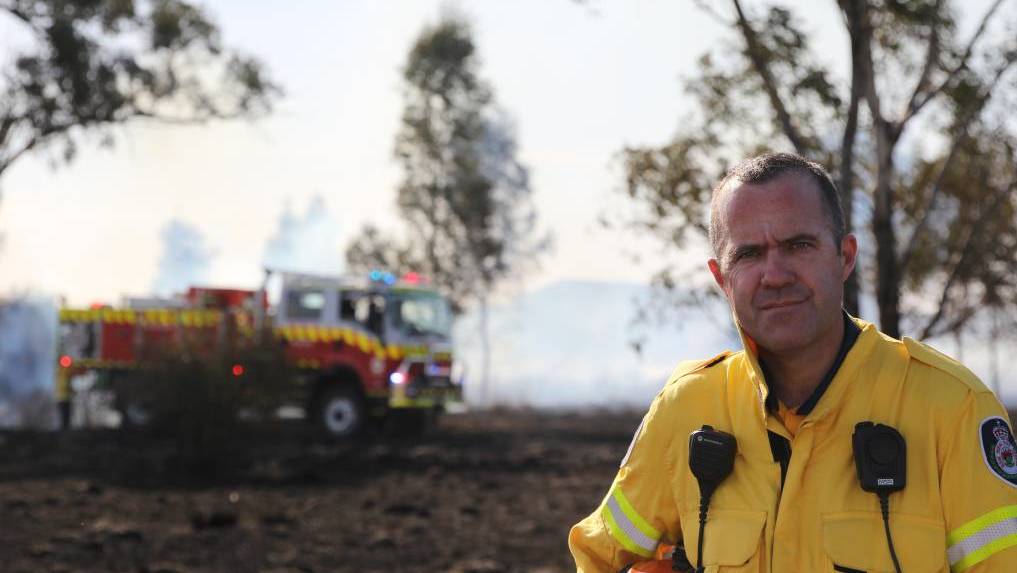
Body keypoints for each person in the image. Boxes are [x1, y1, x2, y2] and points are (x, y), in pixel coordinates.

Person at [569, 153, 1017, 572]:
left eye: (798, 245)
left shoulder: (952, 409)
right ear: (722, 278)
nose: (776, 275)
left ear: (845, 257)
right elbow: (598, 558)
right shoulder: (685, 409)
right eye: (748, 254)